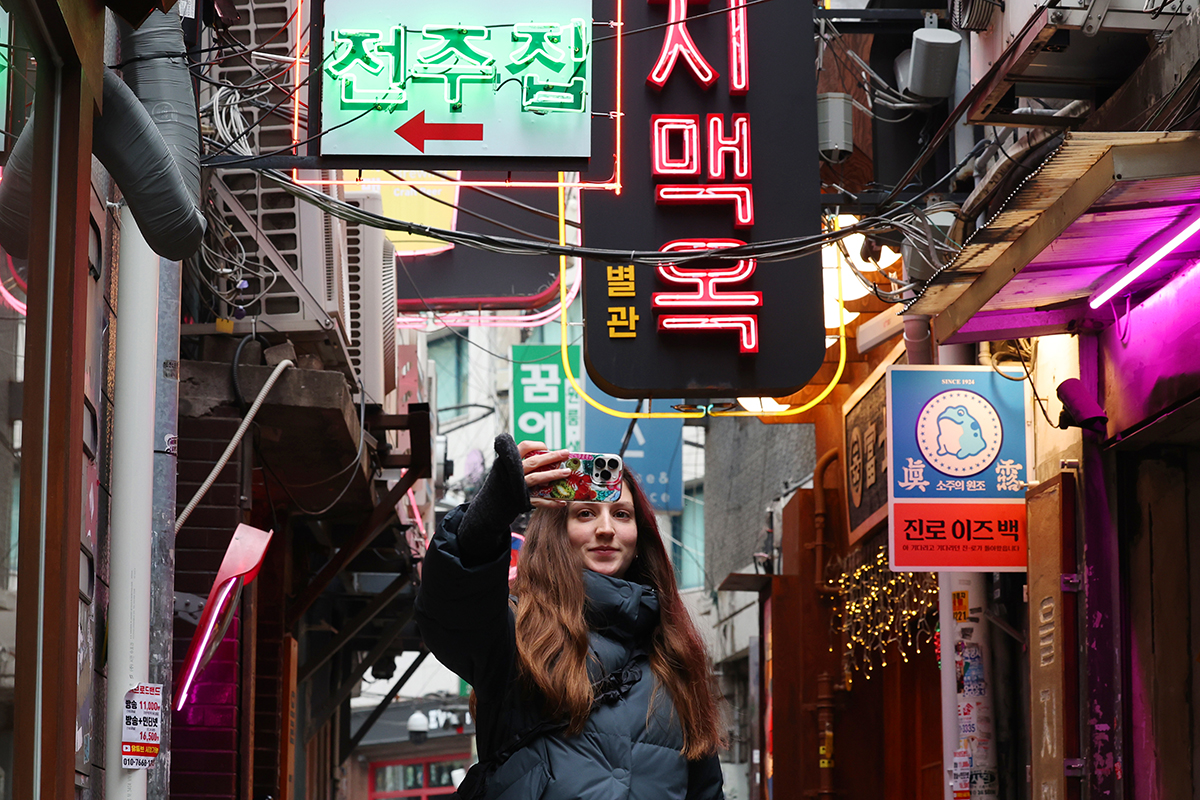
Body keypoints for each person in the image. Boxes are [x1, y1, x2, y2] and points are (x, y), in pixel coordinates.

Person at [415, 435, 726, 800]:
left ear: (640, 537)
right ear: (554, 534)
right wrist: (489, 515)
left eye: (621, 514)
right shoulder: (519, 634)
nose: (606, 528)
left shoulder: (673, 657)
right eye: (585, 513)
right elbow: (451, 611)